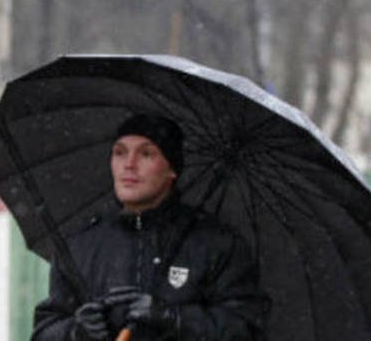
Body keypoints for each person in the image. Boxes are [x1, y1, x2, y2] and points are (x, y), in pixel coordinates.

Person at [31, 114, 269, 340]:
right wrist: (76, 332)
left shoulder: (215, 244)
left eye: (146, 154)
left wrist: (174, 319)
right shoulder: (81, 245)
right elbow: (44, 331)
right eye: (119, 153)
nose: (129, 165)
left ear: (172, 169)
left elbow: (246, 328)